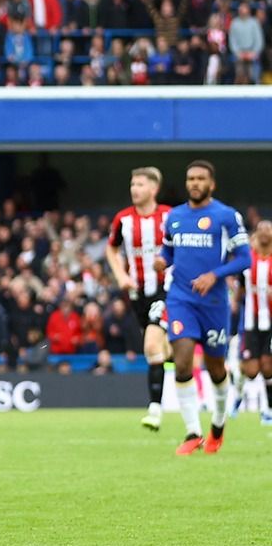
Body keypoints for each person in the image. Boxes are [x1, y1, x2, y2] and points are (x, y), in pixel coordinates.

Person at [156, 160, 250, 455]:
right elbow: (169, 250)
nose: (195, 183)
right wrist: (163, 260)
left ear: (211, 184)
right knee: (182, 361)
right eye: (190, 179)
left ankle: (218, 426)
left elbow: (244, 258)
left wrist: (215, 275)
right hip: (181, 298)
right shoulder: (174, 216)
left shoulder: (226, 216)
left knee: (216, 368)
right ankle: (192, 432)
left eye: (200, 179)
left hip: (213, 303)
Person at [105, 167, 172, 431]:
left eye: (140, 184)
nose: (134, 189)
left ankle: (154, 409)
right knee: (163, 351)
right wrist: (121, 274)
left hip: (166, 289)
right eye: (133, 184)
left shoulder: (169, 216)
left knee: (152, 345)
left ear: (154, 189)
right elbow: (111, 248)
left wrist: (167, 262)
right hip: (137, 294)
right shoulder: (123, 219)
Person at [234, 221, 272, 422]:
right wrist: (233, 302)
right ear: (256, 234)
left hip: (271, 322)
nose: (265, 233)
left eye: (268, 229)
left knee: (267, 366)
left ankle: (269, 410)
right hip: (250, 320)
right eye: (261, 230)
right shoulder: (247, 260)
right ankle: (238, 393)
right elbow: (238, 285)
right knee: (251, 370)